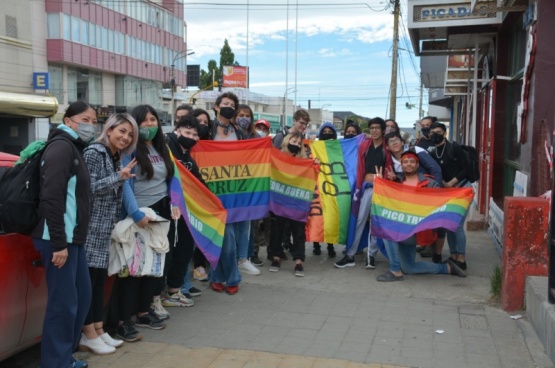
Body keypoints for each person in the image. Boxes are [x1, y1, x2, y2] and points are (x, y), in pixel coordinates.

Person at [31, 101, 97, 368]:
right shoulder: (61, 148)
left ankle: (64, 356)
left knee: (81, 299)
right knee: (63, 305)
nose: (90, 125)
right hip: (57, 239)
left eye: (94, 121)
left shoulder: (74, 148)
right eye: (85, 119)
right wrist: (59, 243)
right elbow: (51, 198)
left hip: (73, 240)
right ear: (68, 120)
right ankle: (55, 363)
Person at [116, 105, 180, 340]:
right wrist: (135, 213)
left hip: (161, 213)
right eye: (143, 121)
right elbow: (124, 183)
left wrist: (175, 203)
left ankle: (143, 312)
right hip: (140, 215)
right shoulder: (129, 149)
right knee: (134, 270)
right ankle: (124, 320)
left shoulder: (161, 147)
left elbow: (173, 177)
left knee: (153, 268)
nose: (149, 125)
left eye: (153, 120)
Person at [80, 114, 138, 355]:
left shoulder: (114, 156)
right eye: (122, 131)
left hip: (104, 228)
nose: (125, 137)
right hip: (90, 227)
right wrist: (119, 177)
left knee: (98, 281)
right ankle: (88, 334)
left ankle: (98, 329)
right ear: (109, 129)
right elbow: (87, 189)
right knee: (90, 282)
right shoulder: (94, 152)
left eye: (129, 135)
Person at [375, 150, 467, 281]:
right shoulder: (396, 182)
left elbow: (442, 201)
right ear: (401, 165)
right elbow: (385, 202)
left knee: (387, 230)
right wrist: (380, 184)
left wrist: (462, 195)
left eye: (412, 162)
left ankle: (395, 271)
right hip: (402, 228)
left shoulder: (430, 183)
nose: (409, 164)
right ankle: (447, 268)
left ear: (417, 165)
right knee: (409, 268)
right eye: (405, 162)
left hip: (417, 231)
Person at [209, 92, 255, 295]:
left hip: (236, 188)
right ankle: (230, 276)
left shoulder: (240, 132)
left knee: (230, 235)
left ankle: (219, 276)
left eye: (232, 104)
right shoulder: (206, 130)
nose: (228, 106)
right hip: (212, 189)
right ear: (217, 106)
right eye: (225, 103)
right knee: (222, 236)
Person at [334, 117, 393, 269]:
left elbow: (391, 168)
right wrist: (358, 187)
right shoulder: (364, 146)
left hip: (381, 190)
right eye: (371, 128)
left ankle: (371, 256)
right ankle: (350, 254)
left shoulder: (388, 148)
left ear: (383, 130)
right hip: (365, 187)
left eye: (377, 128)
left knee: (375, 222)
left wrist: (385, 180)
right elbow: (360, 168)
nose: (373, 130)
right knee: (359, 220)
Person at [162, 114, 205, 306]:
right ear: (177, 131)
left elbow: (198, 182)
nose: (191, 137)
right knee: (169, 252)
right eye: (187, 132)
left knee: (185, 250)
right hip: (167, 210)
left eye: (195, 134)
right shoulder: (166, 148)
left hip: (185, 213)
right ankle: (160, 295)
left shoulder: (188, 155)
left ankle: (174, 290)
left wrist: (212, 199)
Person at [428, 122, 471, 269]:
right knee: (449, 225)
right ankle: (453, 256)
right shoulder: (433, 153)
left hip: (462, 189)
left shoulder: (454, 147)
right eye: (432, 132)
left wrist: (451, 182)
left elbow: (466, 169)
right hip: (447, 193)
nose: (435, 134)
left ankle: (462, 259)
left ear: (444, 133)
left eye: (438, 132)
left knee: (457, 224)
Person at [268, 132, 309, 277]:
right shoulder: (277, 157)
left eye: (299, 143)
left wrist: (313, 165)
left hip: (297, 202)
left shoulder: (304, 161)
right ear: (287, 141)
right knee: (277, 230)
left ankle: (299, 261)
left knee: (298, 232)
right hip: (279, 200)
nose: (296, 144)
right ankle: (276, 258)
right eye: (294, 140)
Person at [232, 104, 263, 270]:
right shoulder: (229, 134)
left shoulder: (256, 136)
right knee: (231, 223)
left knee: (245, 223)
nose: (244, 117)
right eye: (240, 114)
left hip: (249, 184)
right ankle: (232, 257)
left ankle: (243, 258)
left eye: (247, 115)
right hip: (230, 182)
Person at [312, 122, 338, 258]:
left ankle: (330, 245)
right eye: (325, 131)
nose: (327, 133)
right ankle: (316, 244)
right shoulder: (314, 148)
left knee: (330, 217)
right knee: (316, 215)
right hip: (317, 185)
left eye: (330, 131)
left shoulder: (337, 149)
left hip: (331, 186)